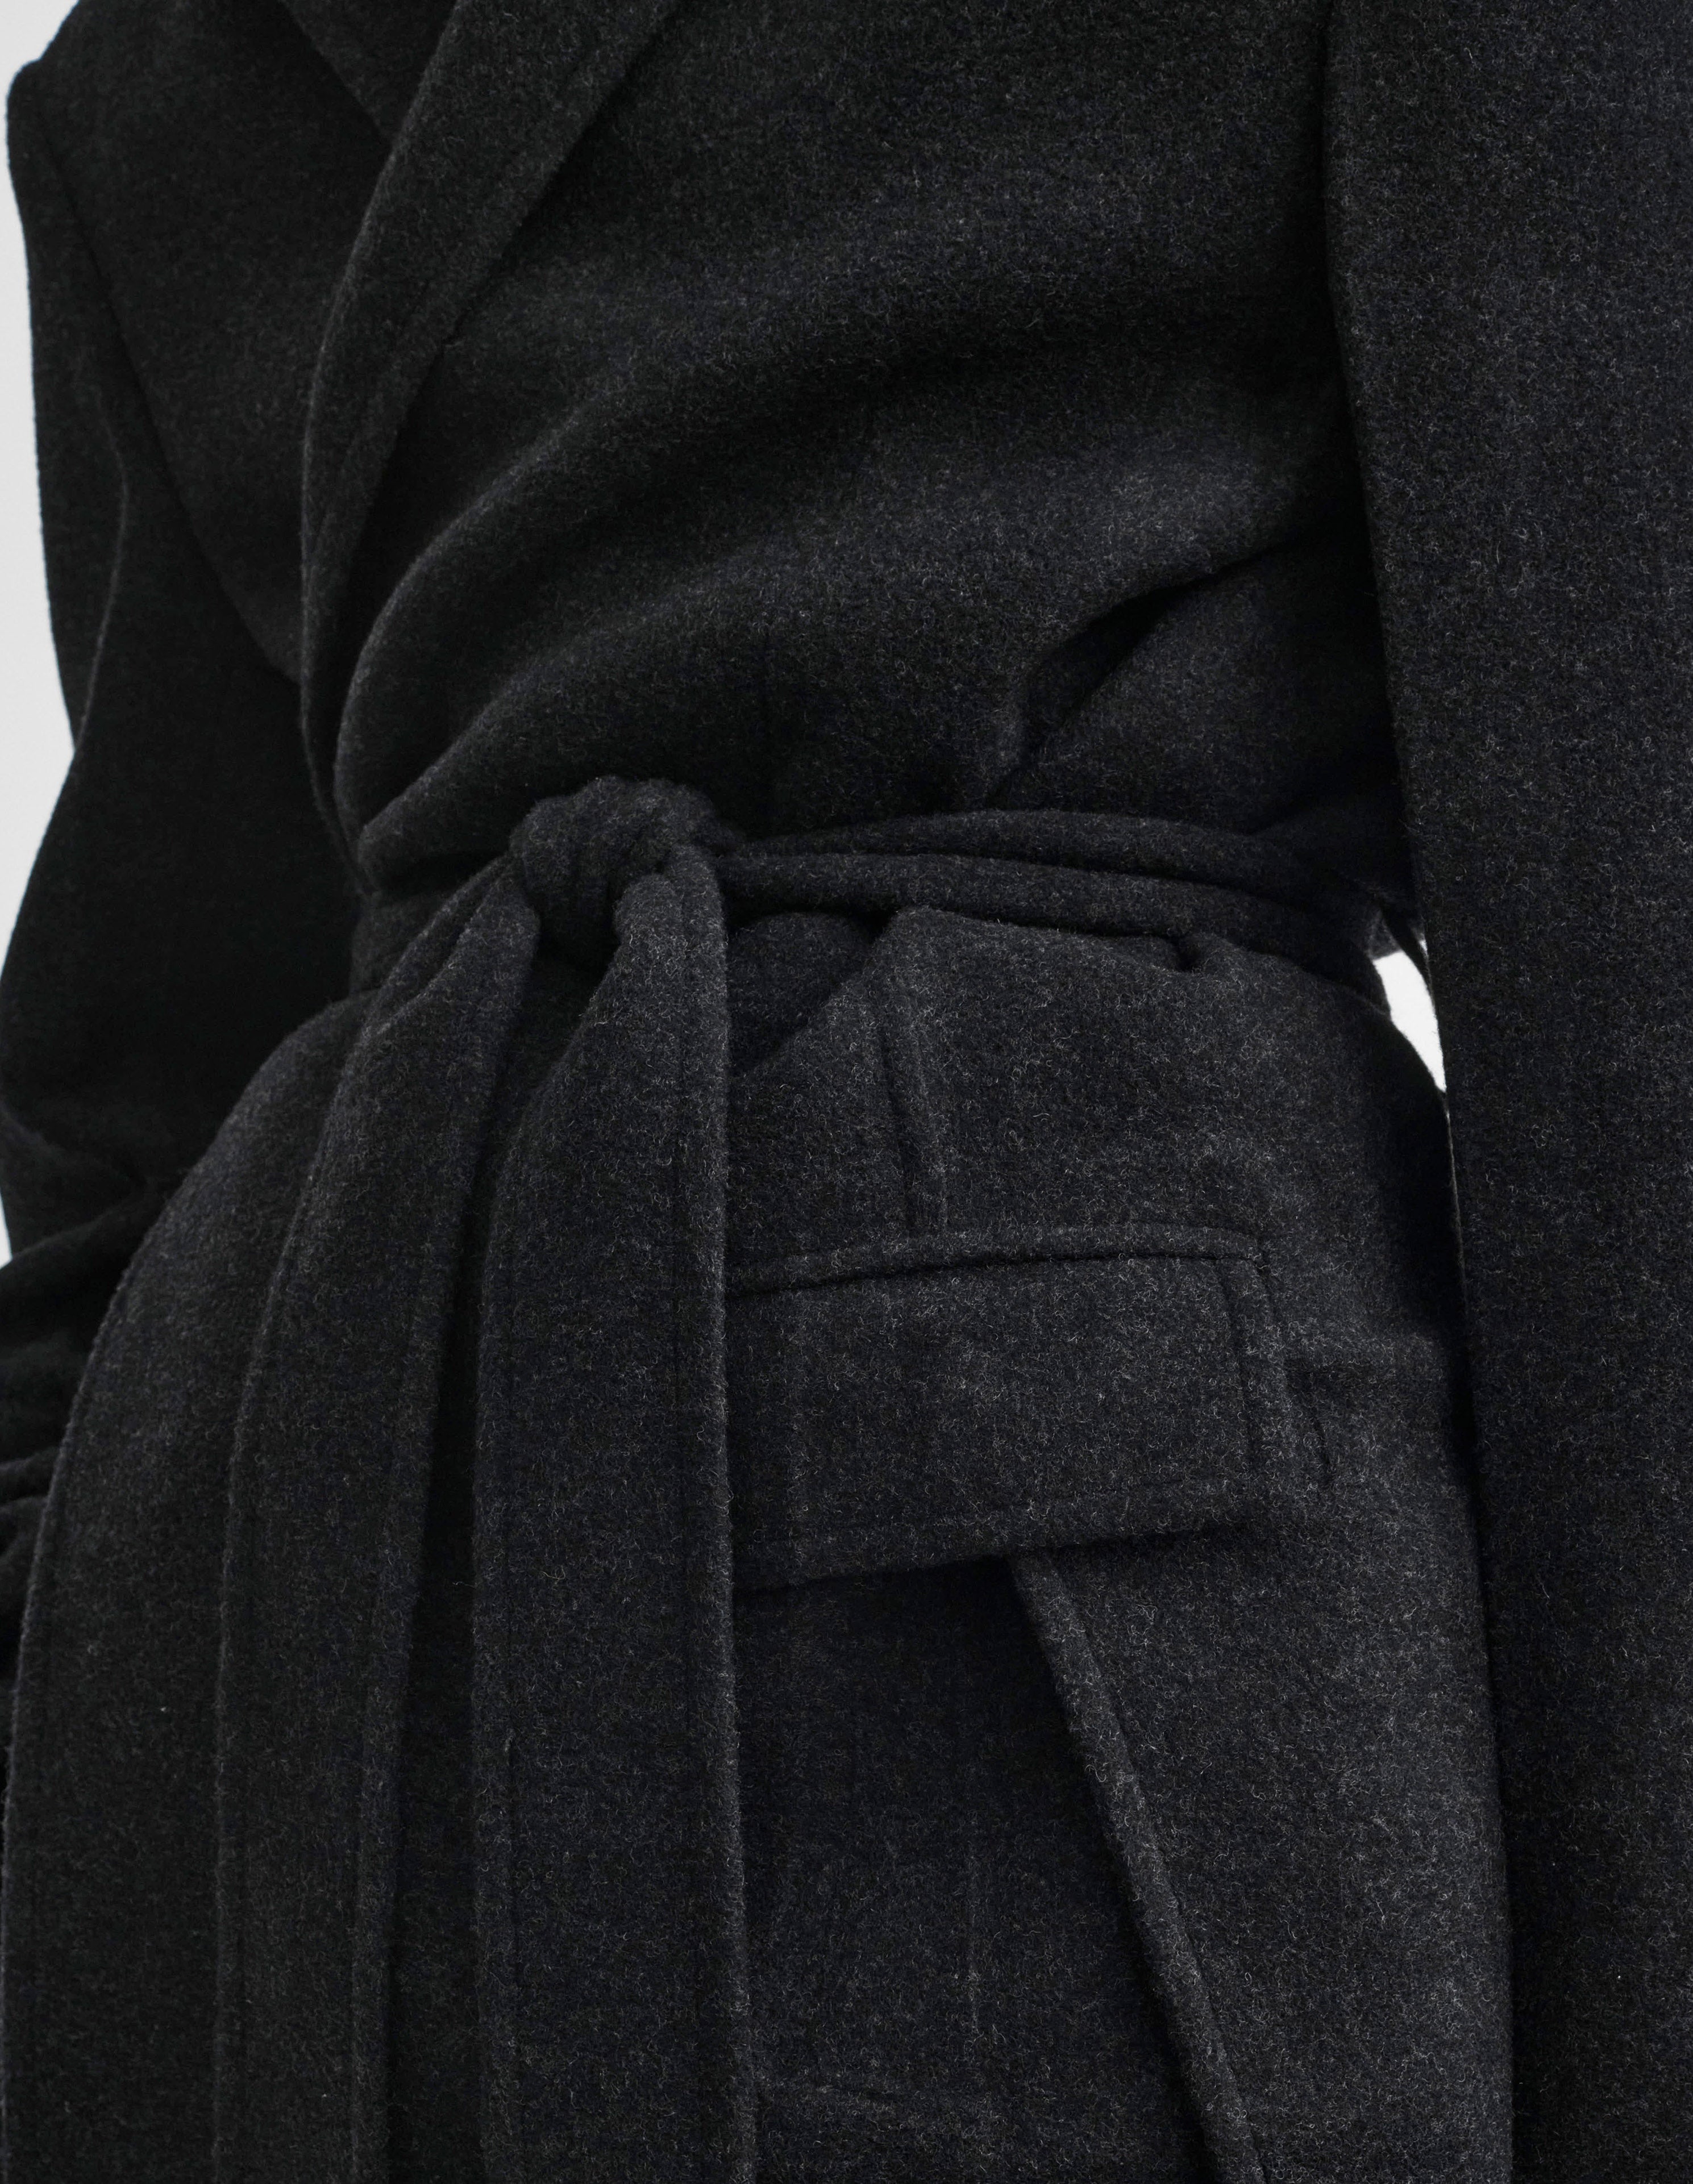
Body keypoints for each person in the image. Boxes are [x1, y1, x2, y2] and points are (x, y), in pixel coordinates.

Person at [0, 0, 1687, 2177]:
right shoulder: (148, 78)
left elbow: (1620, 946)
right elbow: (137, 1103)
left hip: (1094, 1623)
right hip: (298, 1716)